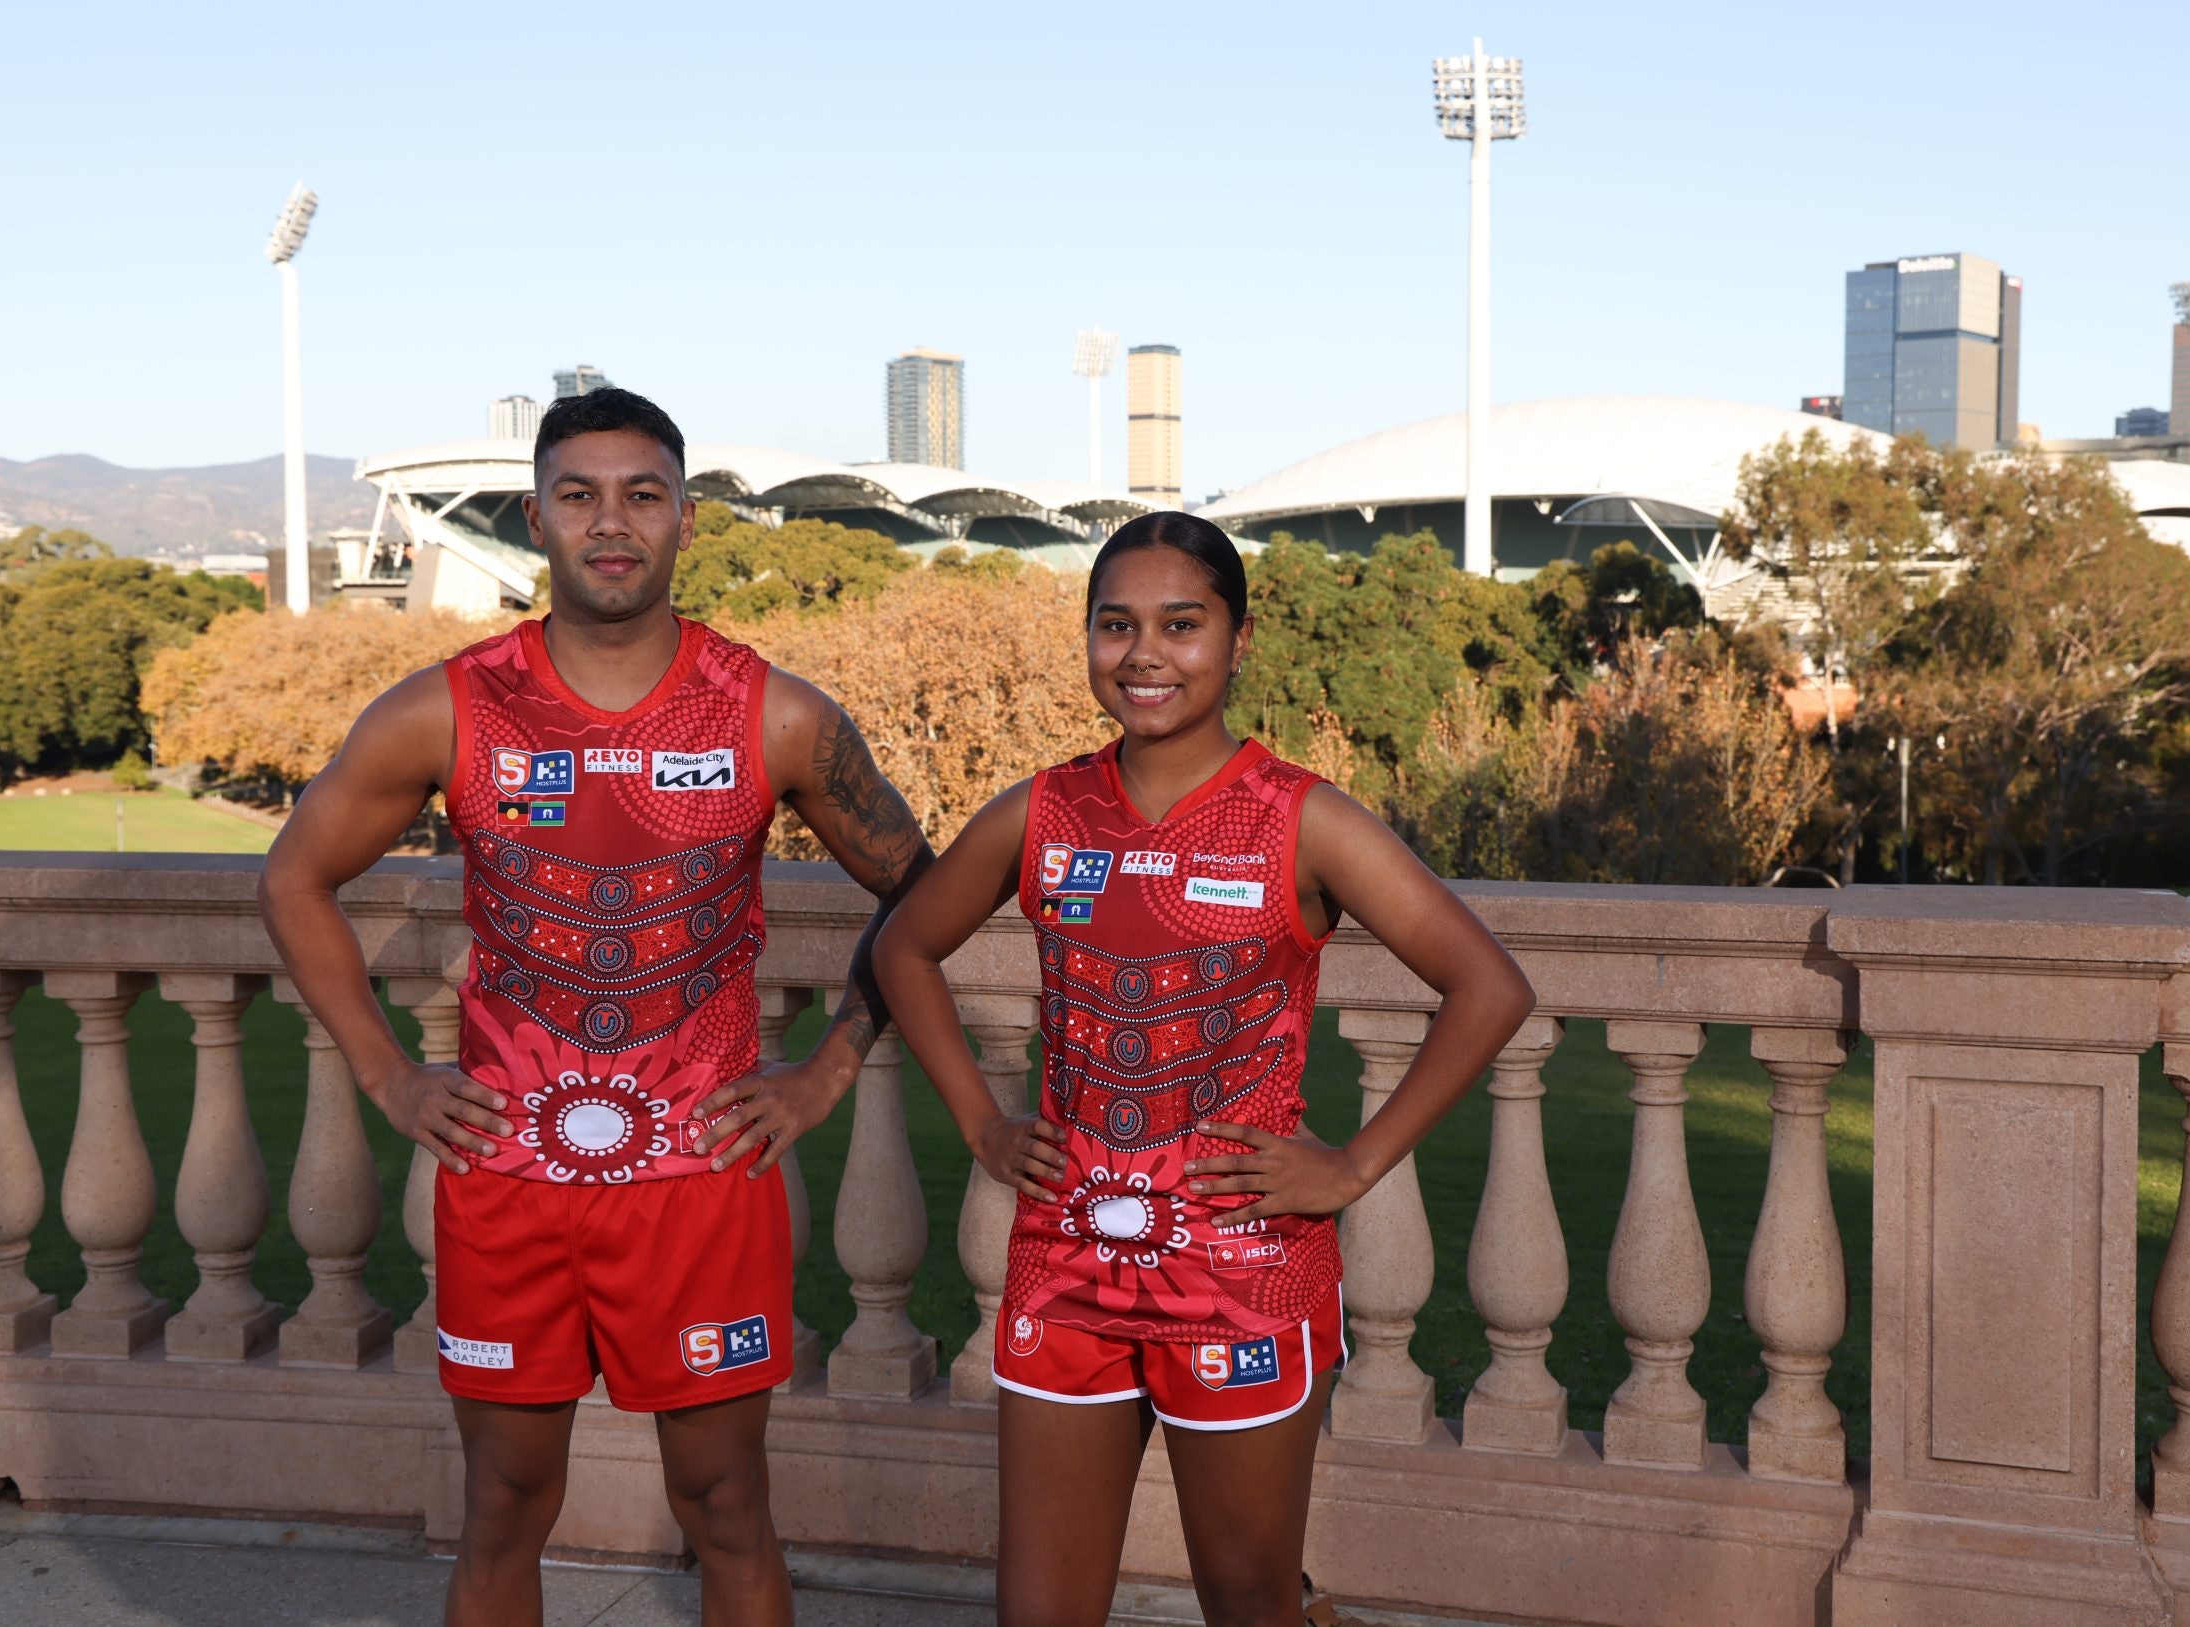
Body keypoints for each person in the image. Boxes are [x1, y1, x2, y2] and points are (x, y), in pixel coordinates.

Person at [259, 388, 930, 1627]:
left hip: (701, 1177)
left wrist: (829, 1068)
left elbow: (921, 896)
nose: (610, 522)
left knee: (726, 1506)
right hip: (508, 1176)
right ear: (537, 520)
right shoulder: (449, 708)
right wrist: (389, 1075)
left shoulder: (772, 712)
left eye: (641, 495)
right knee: (502, 1509)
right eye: (578, 495)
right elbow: (294, 878)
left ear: (685, 521)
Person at [873, 511, 1532, 1627]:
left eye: (1181, 624)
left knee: (1245, 1597)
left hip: (1241, 1267)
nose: (1145, 654)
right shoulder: (1046, 810)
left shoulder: (1301, 818)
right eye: (1115, 625)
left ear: (1237, 639)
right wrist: (983, 1124)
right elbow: (904, 947)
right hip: (1066, 1254)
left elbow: (1489, 986)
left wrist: (1353, 1165)